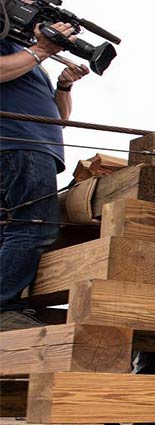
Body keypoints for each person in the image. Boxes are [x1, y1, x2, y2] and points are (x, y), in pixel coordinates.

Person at [0, 21, 88, 331]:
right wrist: (40, 50)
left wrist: (63, 86)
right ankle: (4, 308)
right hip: (18, 144)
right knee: (34, 227)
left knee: (10, 231)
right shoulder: (15, 49)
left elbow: (59, 119)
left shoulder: (29, 62)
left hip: (34, 147)